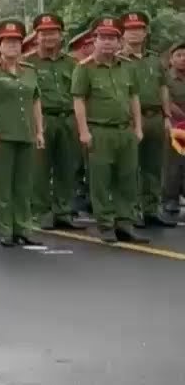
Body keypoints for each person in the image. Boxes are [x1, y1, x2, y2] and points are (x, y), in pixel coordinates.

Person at [73, 16, 147, 244]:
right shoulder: (85, 69)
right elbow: (79, 101)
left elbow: (134, 97)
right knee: (101, 178)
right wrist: (84, 131)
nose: (107, 43)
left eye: (112, 38)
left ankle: (125, 222)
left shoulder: (127, 66)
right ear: (94, 41)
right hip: (99, 129)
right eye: (103, 38)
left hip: (125, 130)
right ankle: (105, 223)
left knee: (127, 177)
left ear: (119, 41)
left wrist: (138, 126)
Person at [0, 20, 44, 247]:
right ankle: (5, 228)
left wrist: (40, 130)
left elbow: (35, 102)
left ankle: (23, 226)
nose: (13, 46)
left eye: (16, 42)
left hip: (26, 133)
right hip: (3, 134)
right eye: (8, 42)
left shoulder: (30, 72)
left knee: (24, 185)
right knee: (3, 185)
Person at [117, 11, 177, 227]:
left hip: (155, 117)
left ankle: (151, 208)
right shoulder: (118, 60)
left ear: (145, 33)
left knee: (153, 166)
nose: (134, 34)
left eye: (139, 29)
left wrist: (167, 116)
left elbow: (163, 89)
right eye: (130, 30)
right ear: (122, 34)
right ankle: (132, 210)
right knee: (130, 167)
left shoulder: (154, 59)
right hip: (131, 118)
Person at [31, 13, 80, 230]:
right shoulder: (28, 63)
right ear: (36, 36)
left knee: (67, 167)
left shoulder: (73, 63)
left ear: (61, 36)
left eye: (53, 33)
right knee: (40, 168)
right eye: (44, 33)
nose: (49, 37)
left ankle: (64, 211)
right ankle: (41, 212)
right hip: (42, 119)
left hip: (68, 119)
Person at [164, 41, 185, 217]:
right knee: (174, 163)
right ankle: (170, 198)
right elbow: (167, 102)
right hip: (175, 124)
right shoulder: (166, 78)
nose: (183, 59)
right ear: (171, 59)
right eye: (178, 55)